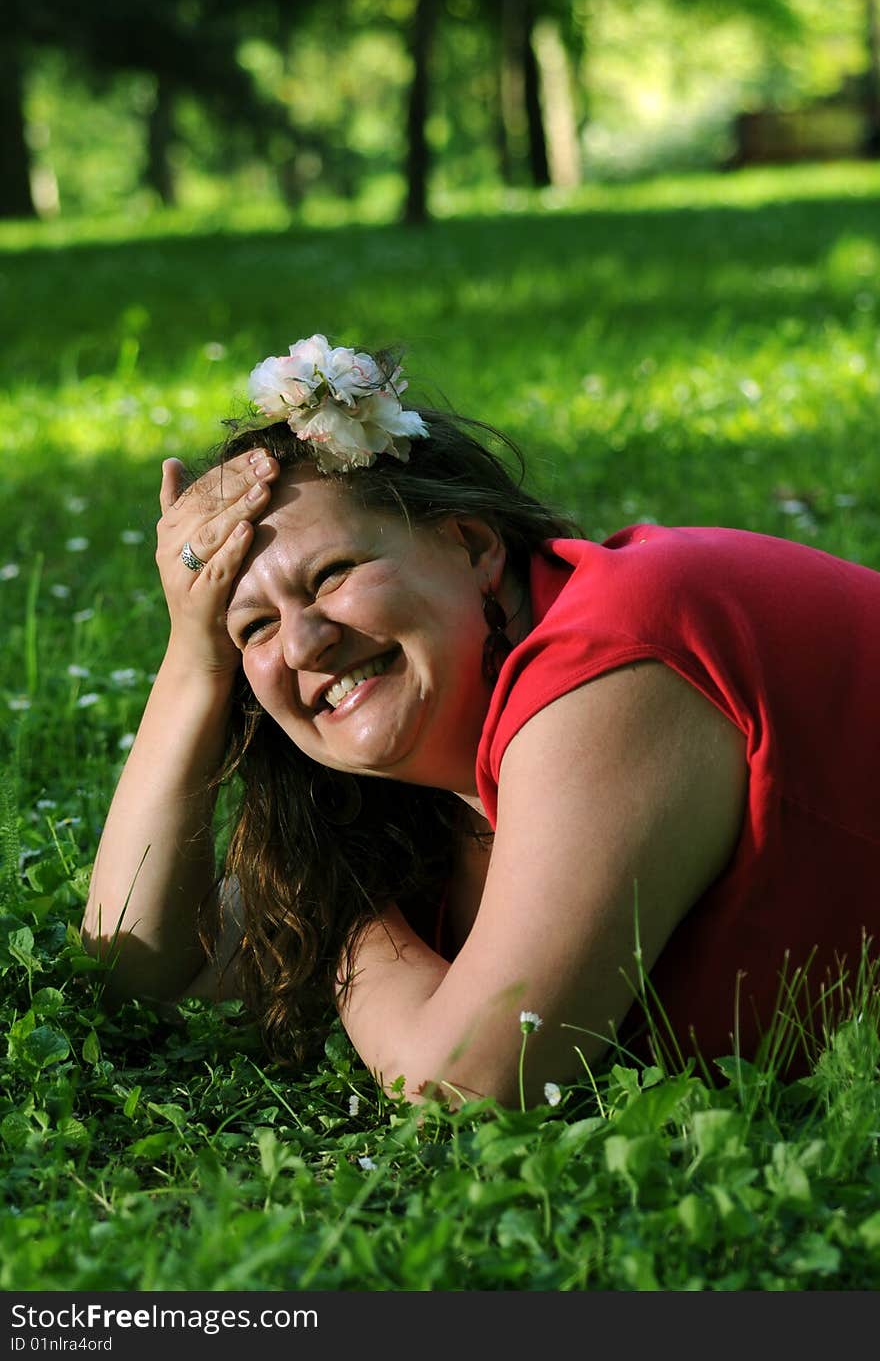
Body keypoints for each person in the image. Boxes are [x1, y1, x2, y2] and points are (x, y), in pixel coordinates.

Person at [81, 334, 880, 1106]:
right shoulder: (428, 786)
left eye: (332, 574)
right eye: (253, 627)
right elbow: (136, 965)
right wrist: (193, 657)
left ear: (472, 545)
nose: (304, 642)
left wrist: (346, 922)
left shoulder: (613, 662)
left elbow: (466, 1083)